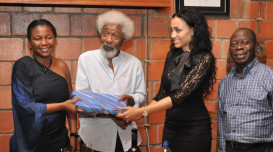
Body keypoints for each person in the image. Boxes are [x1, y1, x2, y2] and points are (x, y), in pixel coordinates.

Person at [117, 8, 216, 152]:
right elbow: (162, 94)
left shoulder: (204, 59)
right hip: (171, 128)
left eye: (178, 30)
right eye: (171, 30)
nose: (172, 35)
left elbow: (178, 97)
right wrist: (136, 113)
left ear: (193, 30)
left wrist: (142, 111)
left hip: (194, 130)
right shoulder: (172, 55)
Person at [75, 10, 146, 152]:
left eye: (115, 36)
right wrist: (112, 116)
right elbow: (83, 100)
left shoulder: (134, 63)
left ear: (124, 39)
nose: (108, 40)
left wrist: (131, 99)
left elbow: (142, 96)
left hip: (127, 138)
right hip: (94, 138)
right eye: (105, 33)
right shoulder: (86, 59)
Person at [217, 28, 273, 152]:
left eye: (245, 43)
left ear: (256, 47)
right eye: (234, 44)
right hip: (230, 148)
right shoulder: (225, 83)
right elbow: (221, 124)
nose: (239, 47)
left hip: (261, 149)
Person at [10, 19, 80, 152]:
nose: (44, 43)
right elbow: (25, 105)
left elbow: (71, 105)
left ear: (55, 40)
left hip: (59, 139)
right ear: (29, 42)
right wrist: (61, 105)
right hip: (31, 142)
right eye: (37, 38)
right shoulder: (22, 66)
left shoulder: (63, 66)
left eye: (49, 37)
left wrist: (73, 134)